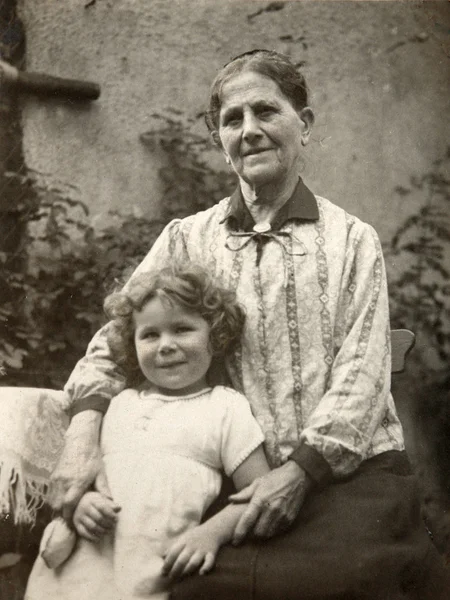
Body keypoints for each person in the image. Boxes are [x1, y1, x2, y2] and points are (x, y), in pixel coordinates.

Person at [47, 50, 449, 599]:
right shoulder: (188, 238)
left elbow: (362, 372)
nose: (250, 130)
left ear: (303, 126)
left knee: (342, 583)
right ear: (220, 140)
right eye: (233, 120)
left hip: (344, 479)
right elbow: (113, 344)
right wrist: (80, 438)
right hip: (233, 479)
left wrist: (300, 472)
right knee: (183, 584)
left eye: (266, 112)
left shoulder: (352, 239)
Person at [25, 265, 269, 599]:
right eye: (150, 335)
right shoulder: (118, 402)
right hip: (77, 569)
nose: (165, 345)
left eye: (182, 329)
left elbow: (259, 490)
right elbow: (81, 476)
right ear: (131, 343)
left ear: (215, 336)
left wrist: (211, 534)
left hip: (146, 574)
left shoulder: (226, 408)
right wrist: (81, 503)